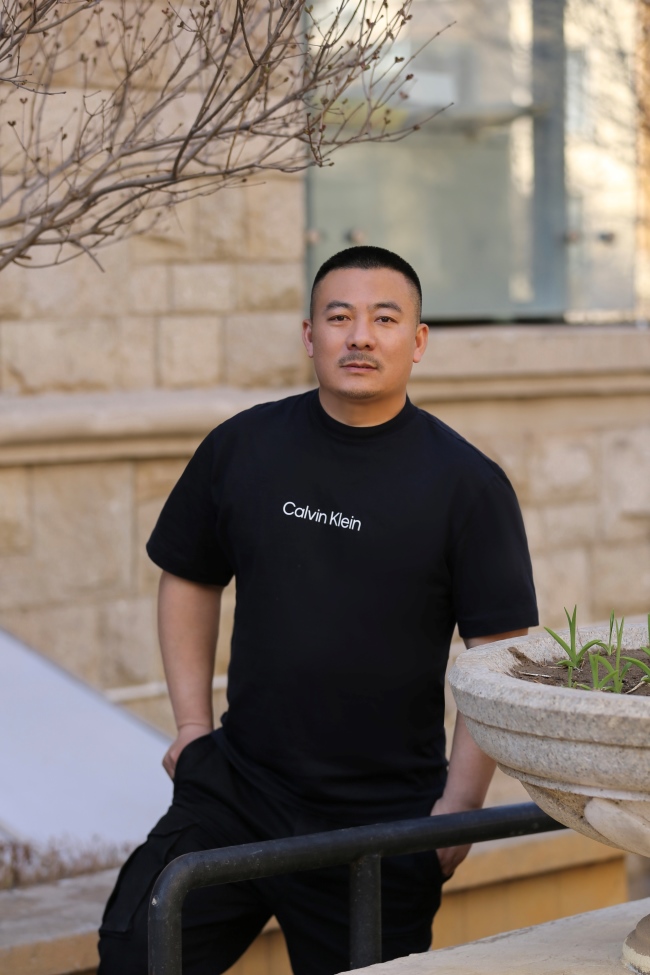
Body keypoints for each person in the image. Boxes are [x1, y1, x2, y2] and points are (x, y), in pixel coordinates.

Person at [98, 246, 538, 975]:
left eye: (384, 319)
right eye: (339, 317)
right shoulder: (244, 446)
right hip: (239, 788)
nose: (360, 336)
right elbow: (189, 576)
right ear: (309, 335)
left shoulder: (467, 483)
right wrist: (192, 727)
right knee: (135, 952)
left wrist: (460, 803)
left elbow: (496, 648)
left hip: (382, 819)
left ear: (418, 341)